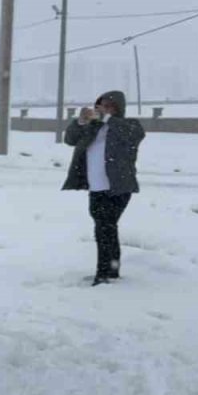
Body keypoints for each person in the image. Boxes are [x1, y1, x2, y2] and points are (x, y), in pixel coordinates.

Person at [63, 91, 145, 285]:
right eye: (101, 106)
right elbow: (70, 139)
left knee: (105, 228)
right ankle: (109, 271)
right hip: (96, 187)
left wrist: (107, 118)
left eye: (109, 106)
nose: (103, 109)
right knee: (104, 229)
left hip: (118, 188)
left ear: (118, 108)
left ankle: (105, 274)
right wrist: (81, 122)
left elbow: (134, 134)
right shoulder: (93, 128)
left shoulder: (129, 125)